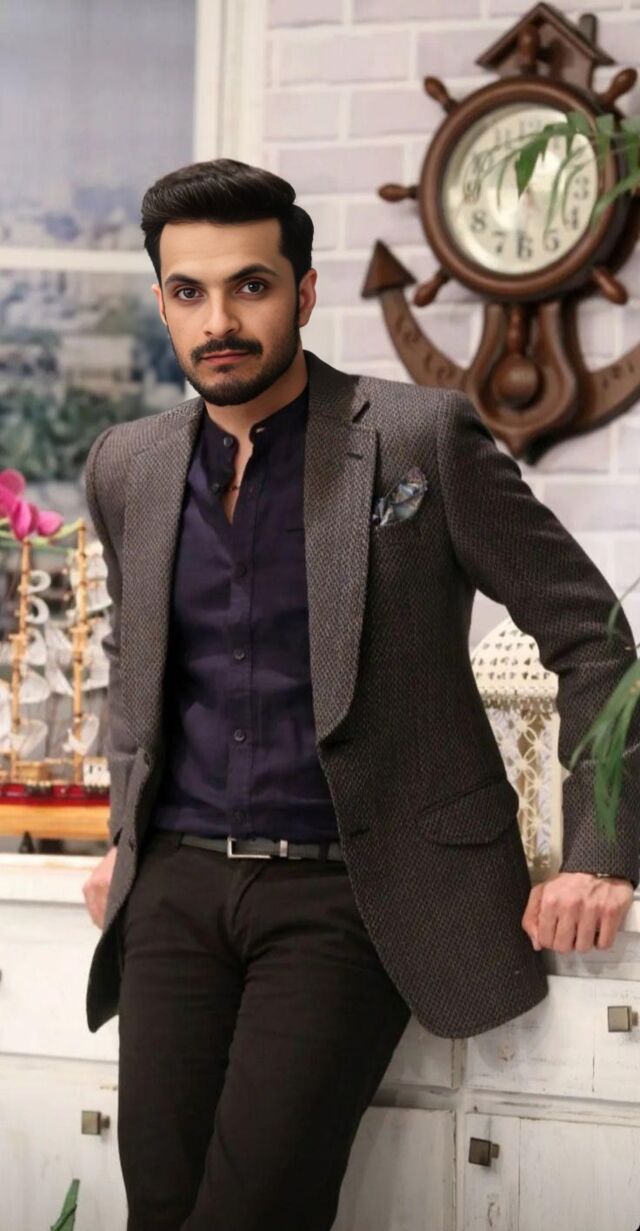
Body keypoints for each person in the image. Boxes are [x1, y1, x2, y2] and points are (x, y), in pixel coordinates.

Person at [81, 158, 640, 1231]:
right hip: (175, 894)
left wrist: (599, 850)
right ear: (162, 304)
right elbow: (137, 655)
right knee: (159, 1208)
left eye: (250, 285)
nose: (219, 321)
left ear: (303, 291)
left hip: (347, 893)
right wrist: (126, 832)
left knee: (252, 1213)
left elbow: (596, 641)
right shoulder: (129, 465)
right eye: (189, 292)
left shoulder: (420, 436)